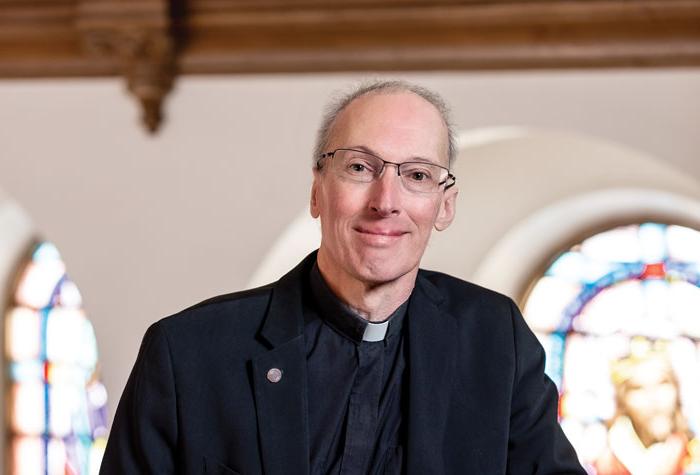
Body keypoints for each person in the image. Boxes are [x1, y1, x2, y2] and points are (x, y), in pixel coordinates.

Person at [100, 80, 585, 474]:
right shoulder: (188, 353)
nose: (385, 200)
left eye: (417, 175)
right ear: (317, 192)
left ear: (445, 205)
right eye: (359, 167)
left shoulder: (495, 337)